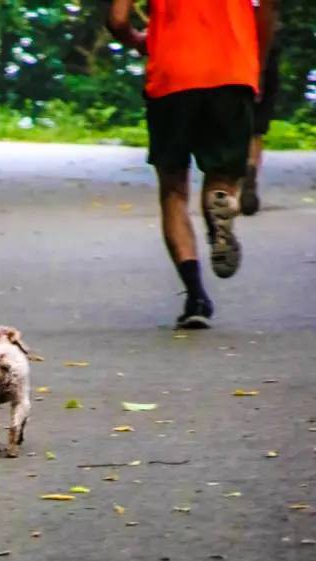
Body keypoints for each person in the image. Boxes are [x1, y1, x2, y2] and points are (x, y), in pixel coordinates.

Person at [108, 0, 276, 329]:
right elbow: (267, 11)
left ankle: (196, 295)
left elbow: (117, 20)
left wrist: (138, 40)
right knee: (222, 178)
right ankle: (220, 212)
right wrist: (258, 65)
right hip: (232, 72)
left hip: (173, 76)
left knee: (173, 190)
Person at [241, 16, 281, 216]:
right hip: (265, 45)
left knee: (233, 120)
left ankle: (234, 180)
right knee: (256, 129)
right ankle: (250, 168)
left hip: (234, 45)